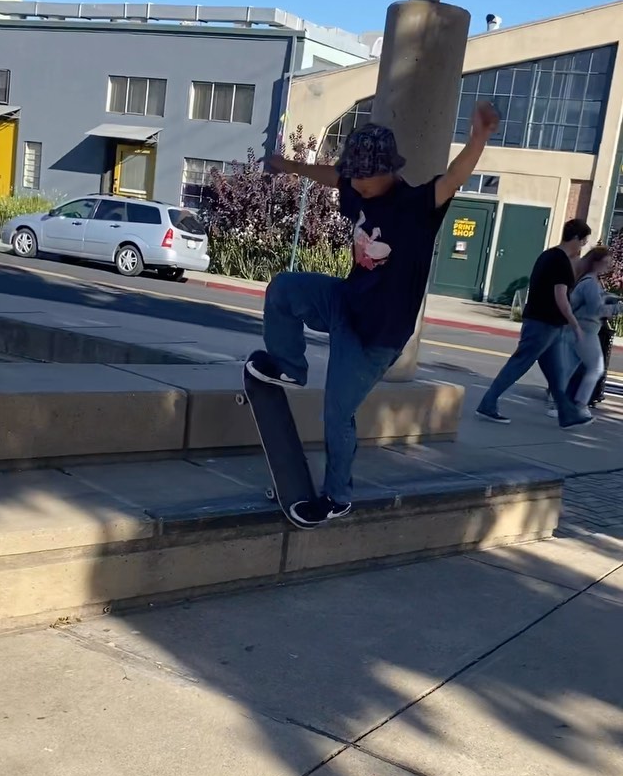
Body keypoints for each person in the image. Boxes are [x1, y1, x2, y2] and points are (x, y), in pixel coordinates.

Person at [245, 100, 500, 527]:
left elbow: (454, 178)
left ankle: (337, 497)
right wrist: (289, 165)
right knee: (284, 288)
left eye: (364, 178)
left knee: (336, 413)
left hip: (375, 336)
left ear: (388, 171)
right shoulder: (358, 186)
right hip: (346, 302)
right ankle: (289, 366)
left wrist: (478, 139)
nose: (357, 186)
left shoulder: (417, 206)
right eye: (355, 178)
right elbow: (333, 177)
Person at [476, 218, 593, 428]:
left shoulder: (547, 255)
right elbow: (561, 297)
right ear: (576, 238)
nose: (583, 245)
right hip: (544, 323)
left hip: (546, 322)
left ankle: (567, 414)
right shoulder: (560, 261)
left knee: (556, 373)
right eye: (584, 241)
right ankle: (488, 403)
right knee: (520, 362)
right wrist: (575, 325)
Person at [561, 245, 622, 408]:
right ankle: (579, 405)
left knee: (568, 370)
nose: (608, 266)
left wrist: (608, 298)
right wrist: (618, 308)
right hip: (585, 330)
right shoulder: (590, 283)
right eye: (605, 263)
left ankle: (558, 404)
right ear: (595, 263)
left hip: (575, 329)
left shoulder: (588, 280)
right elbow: (596, 309)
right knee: (596, 368)